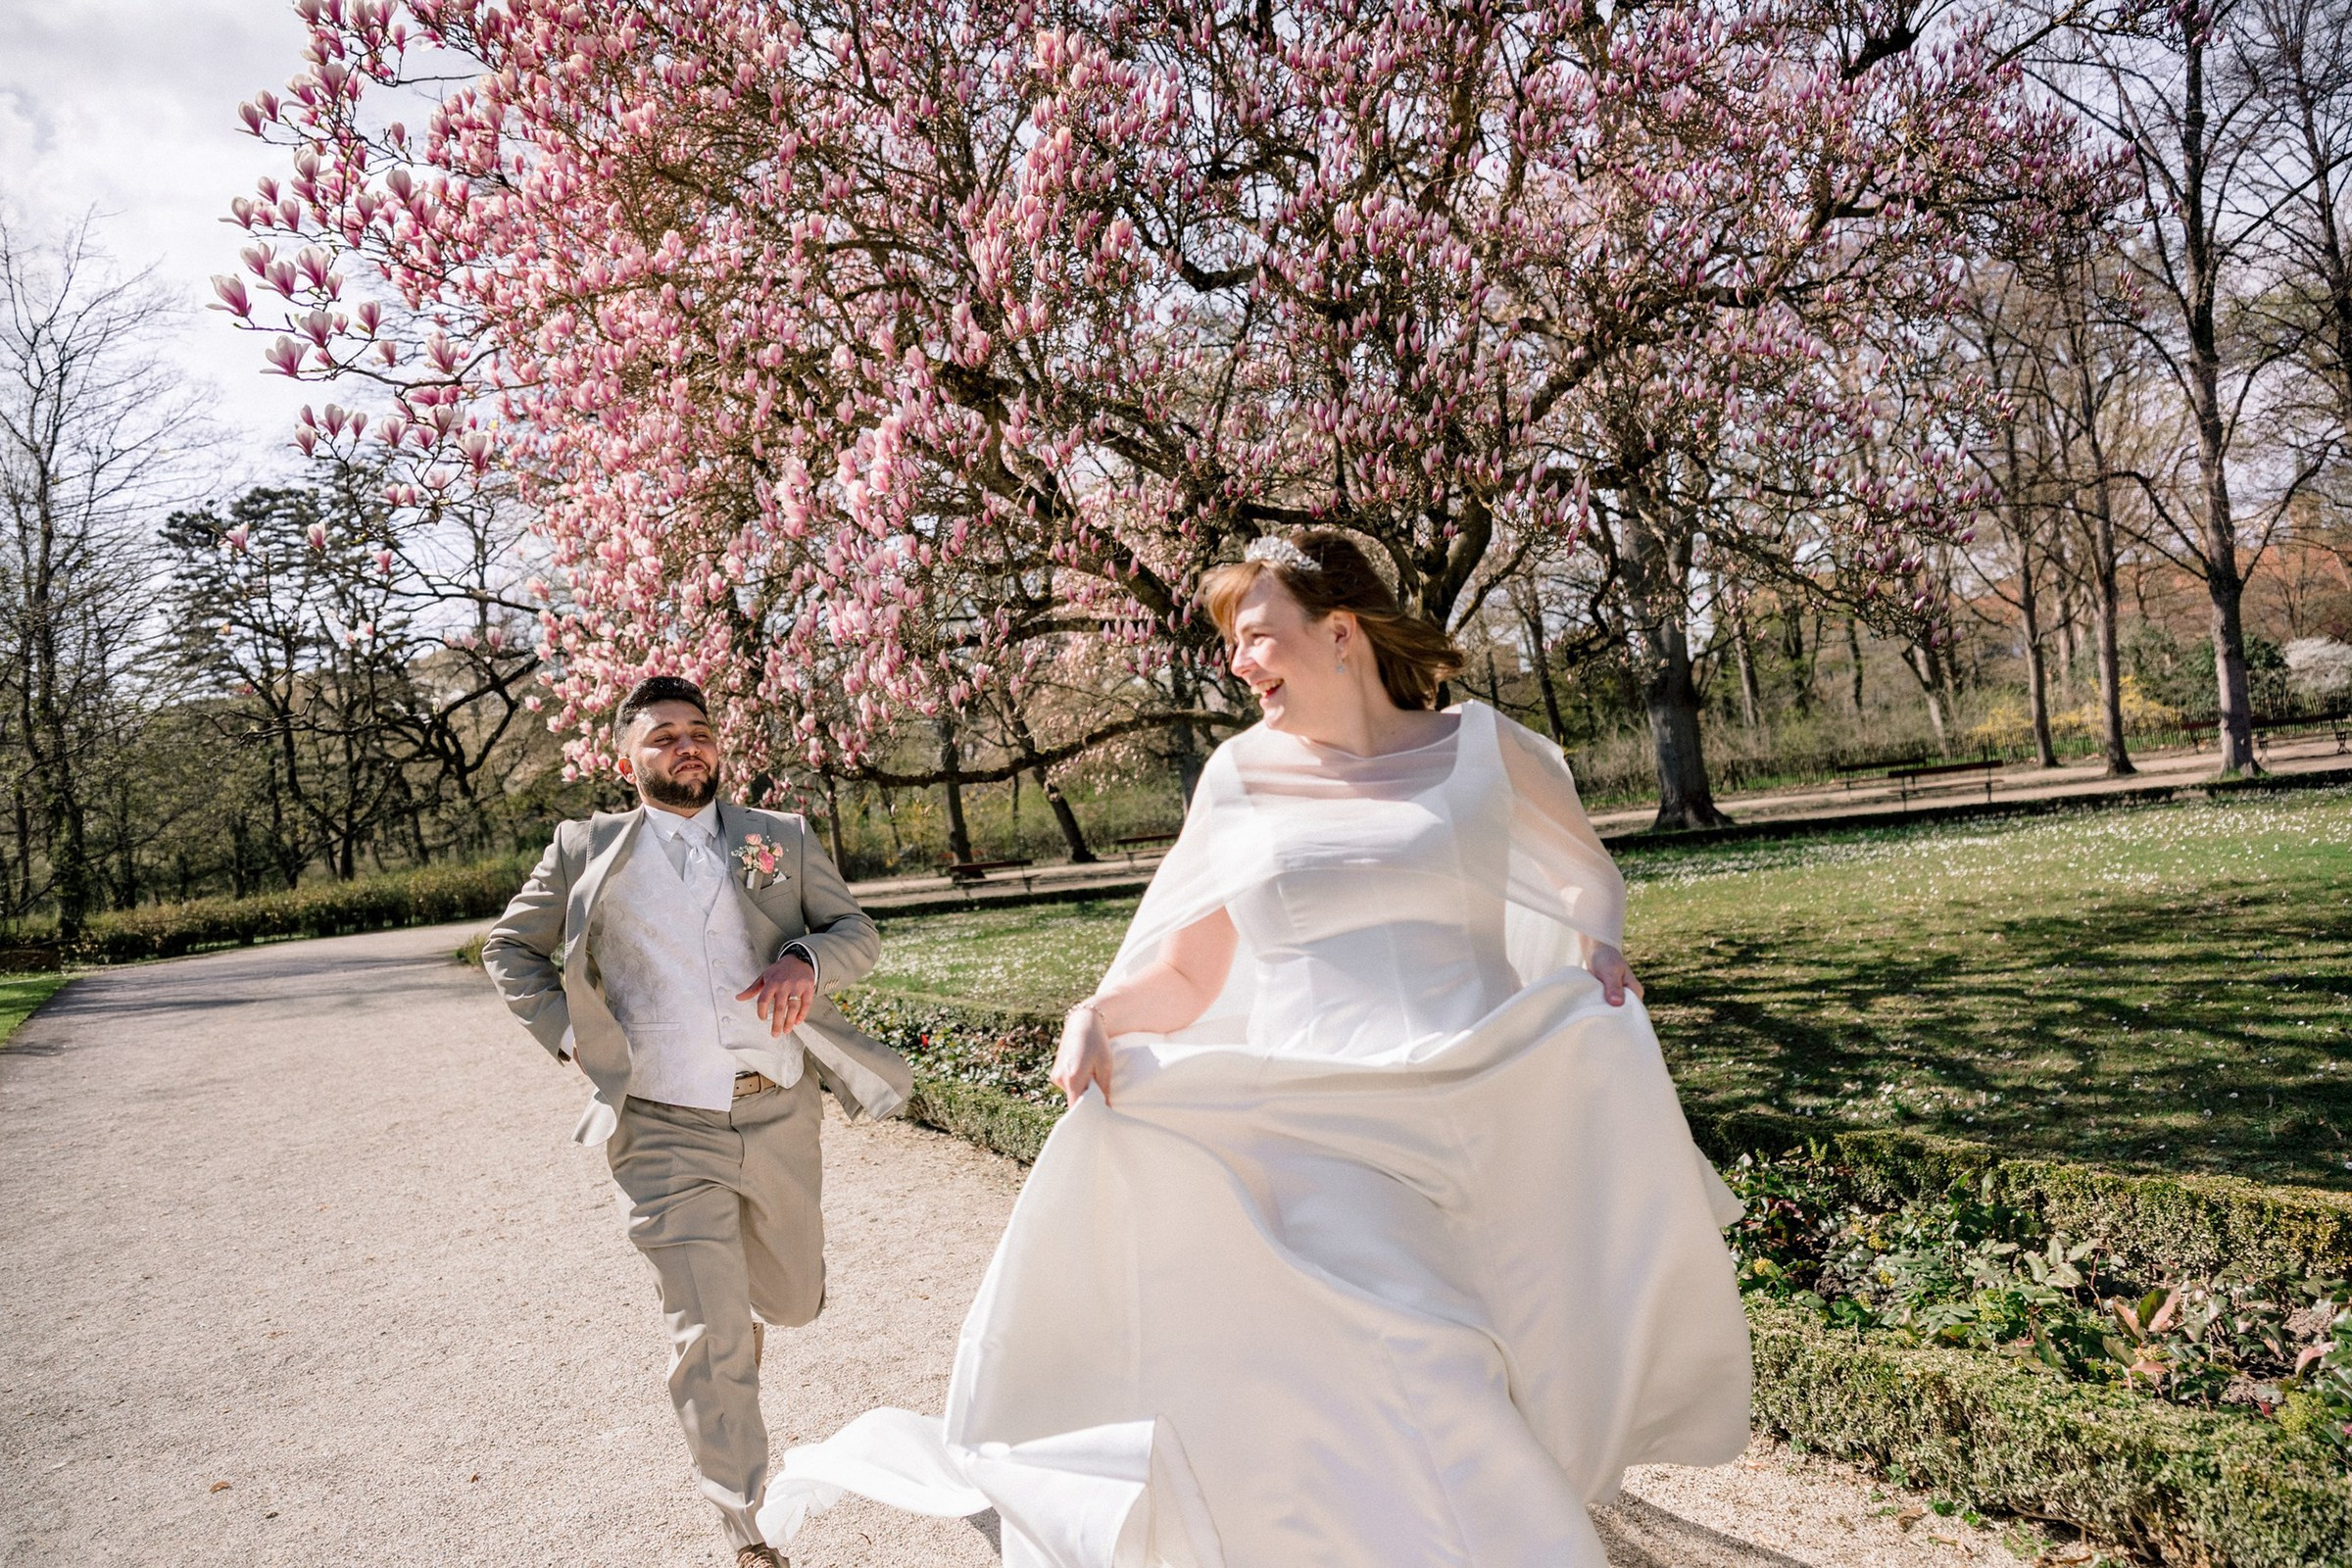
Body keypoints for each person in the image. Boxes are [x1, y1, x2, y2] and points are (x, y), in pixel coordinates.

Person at [760, 533, 1751, 1567]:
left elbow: (1586, 872)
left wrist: (1599, 948)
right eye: (1231, 644)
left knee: (1495, 1377)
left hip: (1488, 1102)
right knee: (1430, 1348)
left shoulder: (1484, 748)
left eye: (1257, 636)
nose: (1238, 663)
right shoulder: (1240, 779)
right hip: (1319, 1123)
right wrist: (1098, 1013)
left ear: (1340, 632)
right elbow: (1189, 973)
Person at [481, 674, 909, 1568]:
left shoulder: (779, 838)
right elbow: (509, 949)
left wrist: (805, 960)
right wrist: (571, 1042)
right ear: (625, 759)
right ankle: (746, 1529)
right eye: (665, 734)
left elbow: (856, 932)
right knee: (707, 1337)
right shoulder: (582, 848)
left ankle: (752, 1314)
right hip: (662, 1128)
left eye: (700, 730)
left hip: (777, 1109)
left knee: (791, 1300)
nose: (688, 745)